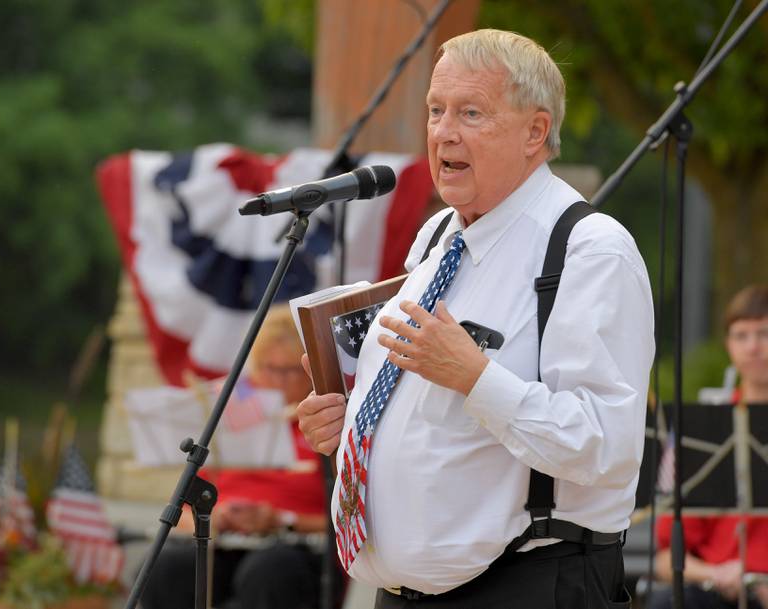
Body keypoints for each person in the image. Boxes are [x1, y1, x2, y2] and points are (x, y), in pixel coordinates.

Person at [297, 29, 654, 609]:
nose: (443, 132)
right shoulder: (439, 235)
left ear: (535, 132)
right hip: (402, 591)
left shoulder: (590, 250)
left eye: (471, 112)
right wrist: (352, 423)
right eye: (436, 110)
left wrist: (475, 377)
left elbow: (603, 447)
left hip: (531, 583)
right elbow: (426, 411)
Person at [140, 304, 330, 609]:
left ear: (310, 370)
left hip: (294, 547)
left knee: (267, 572)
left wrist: (283, 520)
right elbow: (182, 510)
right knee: (165, 568)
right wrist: (211, 519)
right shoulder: (234, 417)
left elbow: (344, 519)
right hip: (222, 540)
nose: (280, 381)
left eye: (291, 370)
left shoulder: (326, 422)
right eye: (270, 369)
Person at [650, 285, 768, 609]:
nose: (753, 347)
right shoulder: (703, 432)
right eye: (741, 336)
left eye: (763, 334)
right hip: (717, 587)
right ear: (728, 345)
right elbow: (664, 561)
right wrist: (717, 573)